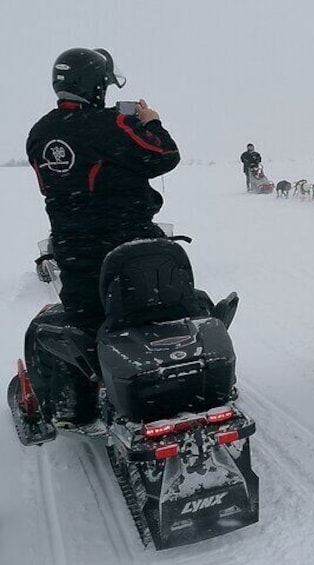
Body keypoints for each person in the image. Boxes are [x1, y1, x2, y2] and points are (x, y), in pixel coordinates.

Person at [22, 47, 180, 425]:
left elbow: (60, 183)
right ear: (95, 84)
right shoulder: (112, 124)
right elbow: (165, 155)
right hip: (130, 242)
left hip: (75, 250)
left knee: (85, 325)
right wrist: (151, 122)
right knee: (165, 311)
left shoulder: (39, 133)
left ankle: (76, 407)